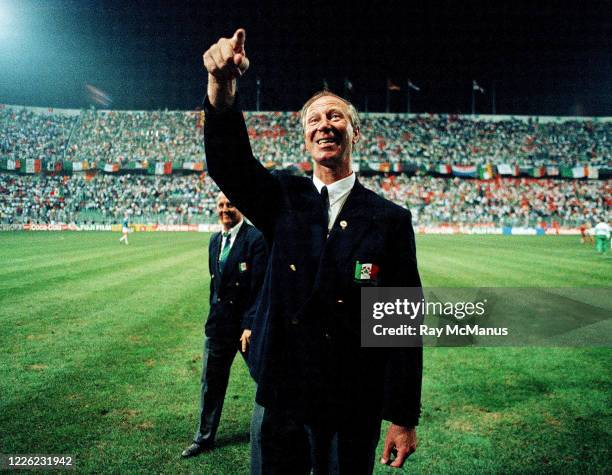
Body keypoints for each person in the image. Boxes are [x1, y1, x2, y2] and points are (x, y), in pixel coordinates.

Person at [202, 29, 423, 474]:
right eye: (314, 120)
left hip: (352, 401)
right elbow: (229, 164)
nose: (325, 124)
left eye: (336, 117)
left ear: (354, 132)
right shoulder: (281, 197)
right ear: (305, 139)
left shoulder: (390, 219)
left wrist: (402, 417)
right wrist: (222, 89)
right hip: (282, 395)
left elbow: (401, 325)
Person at [182, 192, 268, 458]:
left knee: (264, 380)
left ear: (239, 206)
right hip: (219, 326)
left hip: (245, 329)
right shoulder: (214, 240)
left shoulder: (256, 239)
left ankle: (275, 433)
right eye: (220, 205)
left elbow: (260, 286)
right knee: (211, 383)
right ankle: (203, 437)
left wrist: (251, 324)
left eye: (230, 204)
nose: (225, 209)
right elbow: (214, 284)